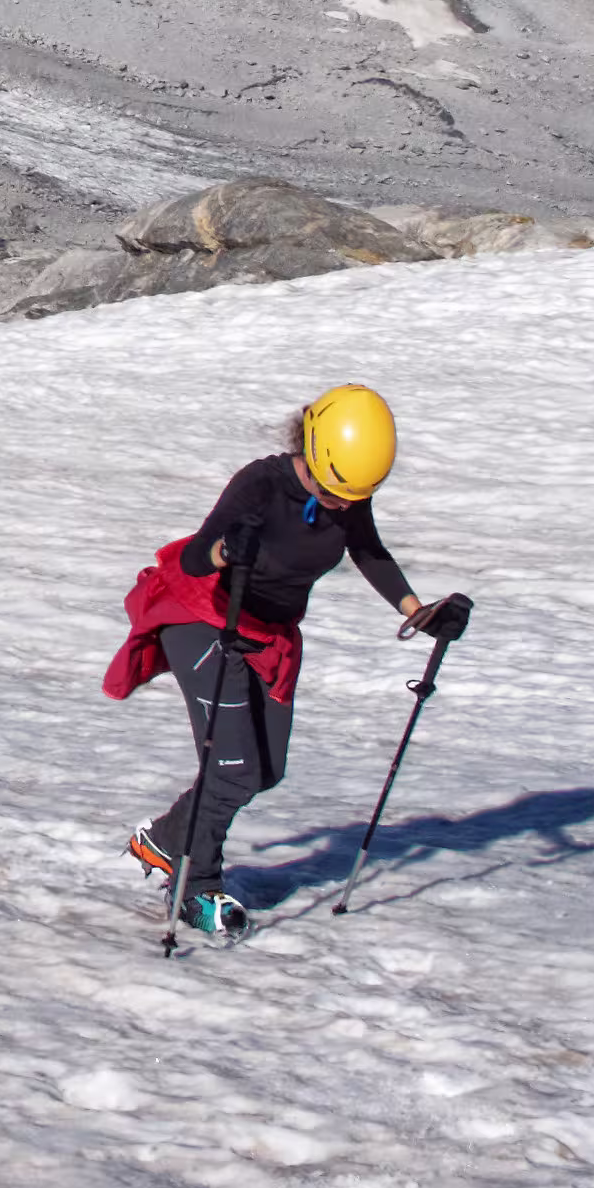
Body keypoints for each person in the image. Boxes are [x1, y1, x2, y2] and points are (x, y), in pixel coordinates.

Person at [101, 384, 469, 940]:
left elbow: (367, 551)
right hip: (204, 618)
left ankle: (164, 839)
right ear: (314, 451)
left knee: (264, 770)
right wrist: (230, 550)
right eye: (335, 491)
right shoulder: (260, 484)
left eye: (354, 496)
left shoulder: (348, 489)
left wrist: (419, 612)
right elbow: (201, 554)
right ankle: (194, 888)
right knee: (233, 768)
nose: (343, 504)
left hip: (269, 633)